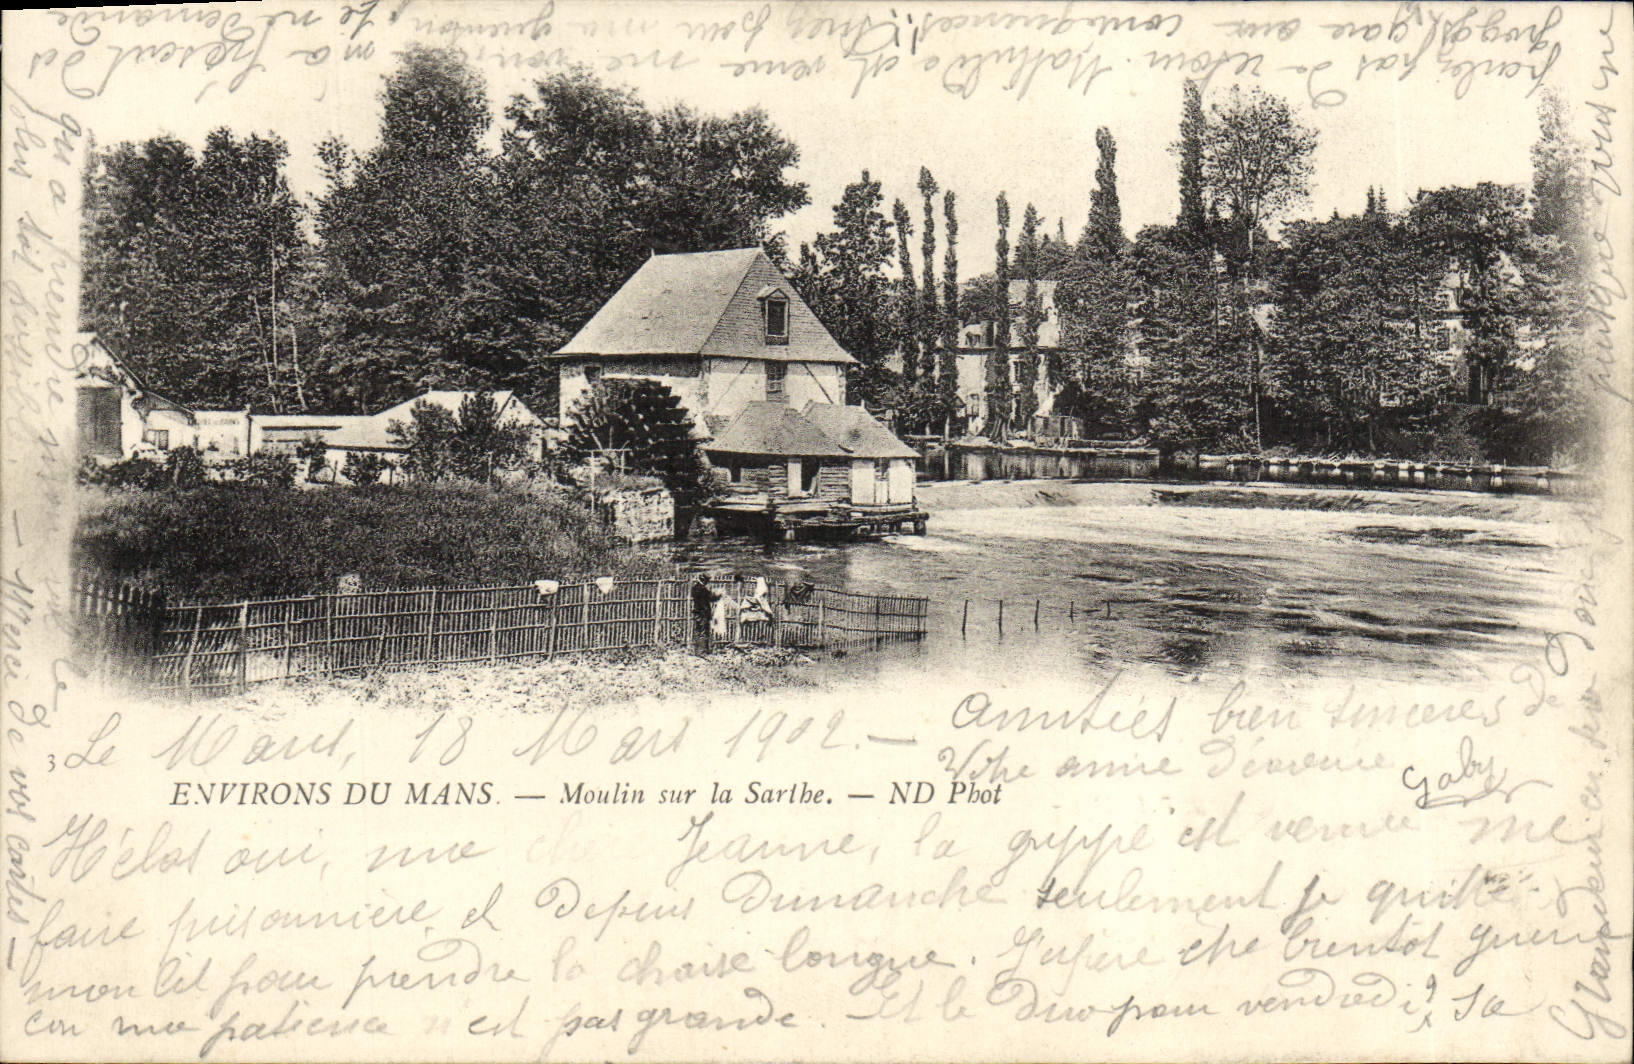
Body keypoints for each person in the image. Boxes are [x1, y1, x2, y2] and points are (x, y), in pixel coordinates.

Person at [690, 572, 720, 654]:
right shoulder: (702, 589)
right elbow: (709, 599)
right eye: (707, 581)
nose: (707, 583)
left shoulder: (695, 588)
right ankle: (702, 651)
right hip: (703, 613)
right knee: (703, 631)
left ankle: (696, 650)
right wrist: (718, 596)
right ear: (704, 580)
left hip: (697, 612)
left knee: (698, 630)